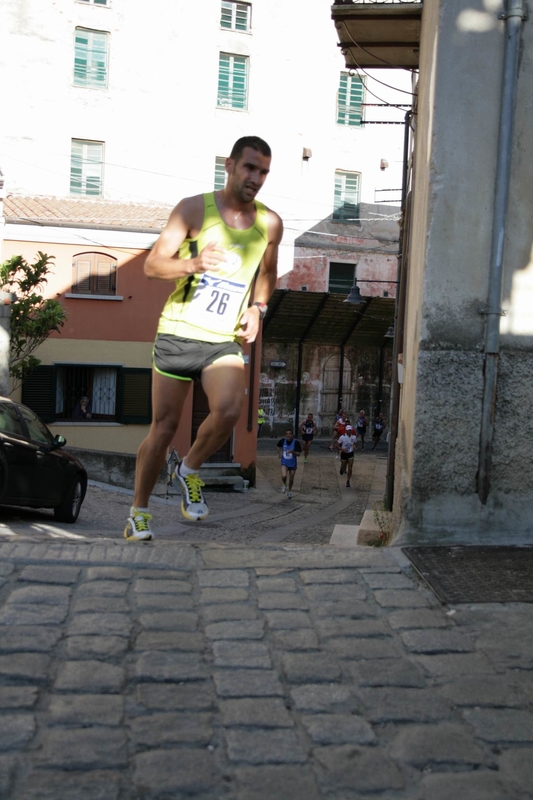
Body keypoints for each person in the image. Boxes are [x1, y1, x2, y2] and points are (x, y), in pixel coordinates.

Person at [124, 136, 283, 541]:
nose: (256, 178)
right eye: (250, 168)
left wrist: (258, 309)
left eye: (263, 171)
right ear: (229, 165)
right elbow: (153, 266)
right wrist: (193, 263)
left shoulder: (270, 223)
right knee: (163, 428)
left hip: (221, 339)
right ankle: (138, 513)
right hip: (178, 333)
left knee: (230, 408)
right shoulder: (194, 209)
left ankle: (189, 468)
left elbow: (266, 274)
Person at [277, 429, 301, 498]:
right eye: (287, 434)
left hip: (292, 463)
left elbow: (298, 454)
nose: (288, 435)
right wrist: (279, 453)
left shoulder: (296, 442)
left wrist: (293, 452)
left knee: (291, 479)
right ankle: (284, 484)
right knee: (284, 475)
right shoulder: (282, 441)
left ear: (292, 434)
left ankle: (289, 490)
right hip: (284, 462)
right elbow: (277, 445)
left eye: (290, 433)